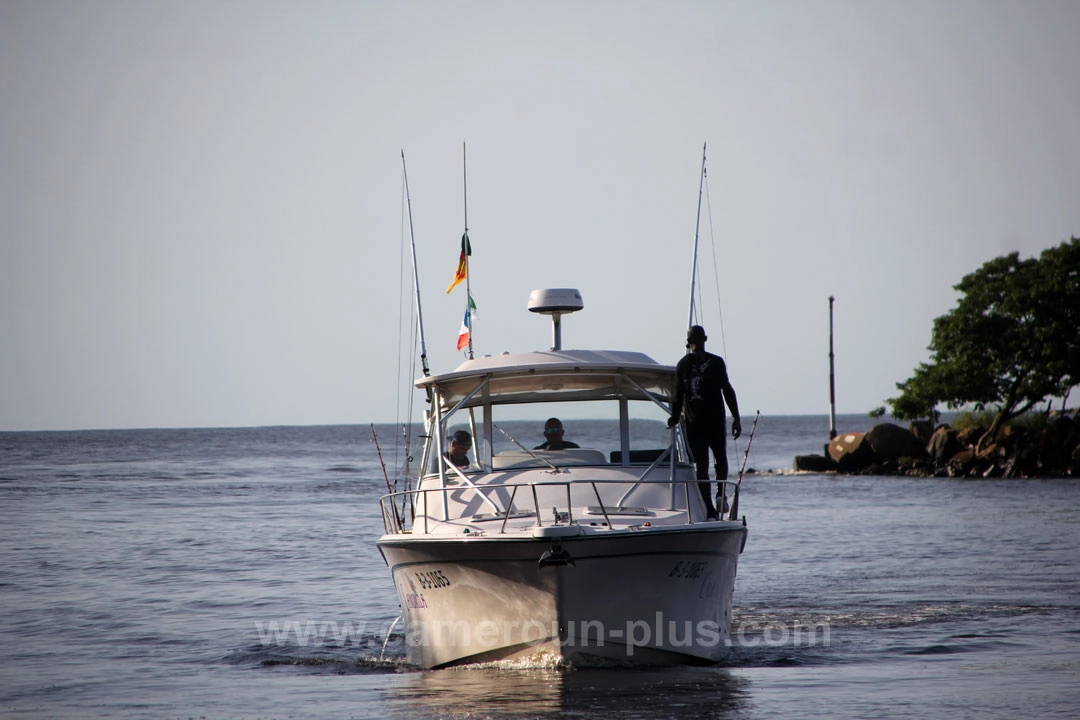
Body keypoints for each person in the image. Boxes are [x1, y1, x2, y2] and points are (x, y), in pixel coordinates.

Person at [667, 325, 742, 519]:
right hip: (712, 421)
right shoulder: (716, 362)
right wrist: (736, 418)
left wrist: (674, 418)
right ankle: (720, 494)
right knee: (720, 458)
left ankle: (710, 508)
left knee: (702, 464)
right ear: (705, 339)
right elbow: (728, 390)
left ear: (688, 342)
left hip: (695, 423)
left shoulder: (683, 364)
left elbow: (677, 397)